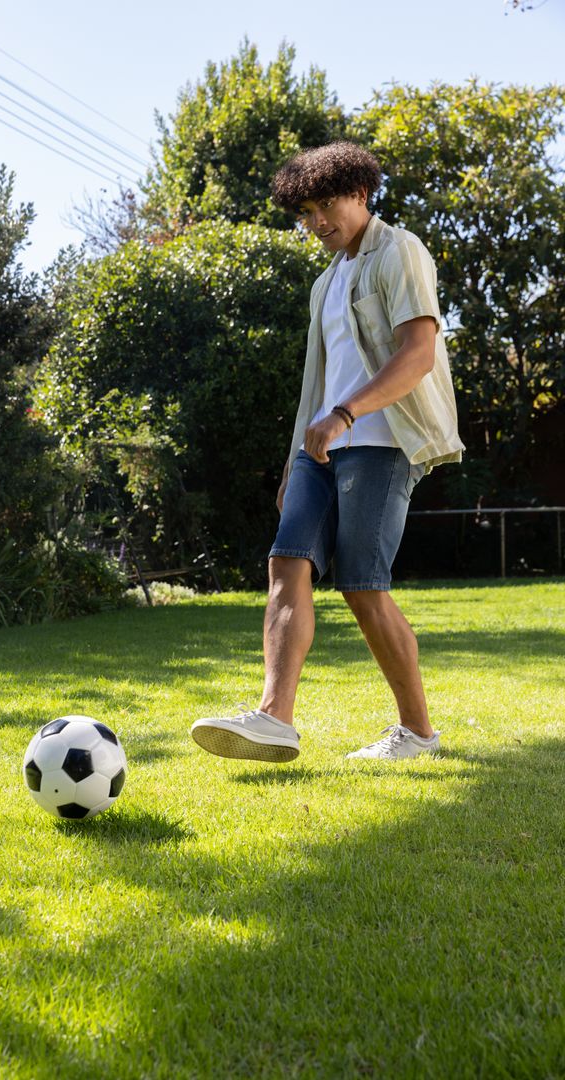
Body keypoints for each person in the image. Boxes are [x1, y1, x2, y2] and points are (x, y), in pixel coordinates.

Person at [190, 141, 464, 763]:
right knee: (286, 562)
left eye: (325, 205)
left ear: (361, 194)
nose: (316, 222)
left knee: (362, 582)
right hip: (319, 448)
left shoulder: (399, 251)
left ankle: (418, 734)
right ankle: (274, 718)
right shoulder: (326, 282)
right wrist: (295, 456)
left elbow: (417, 353)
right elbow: (318, 380)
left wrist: (346, 414)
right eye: (305, 213)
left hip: (381, 440)